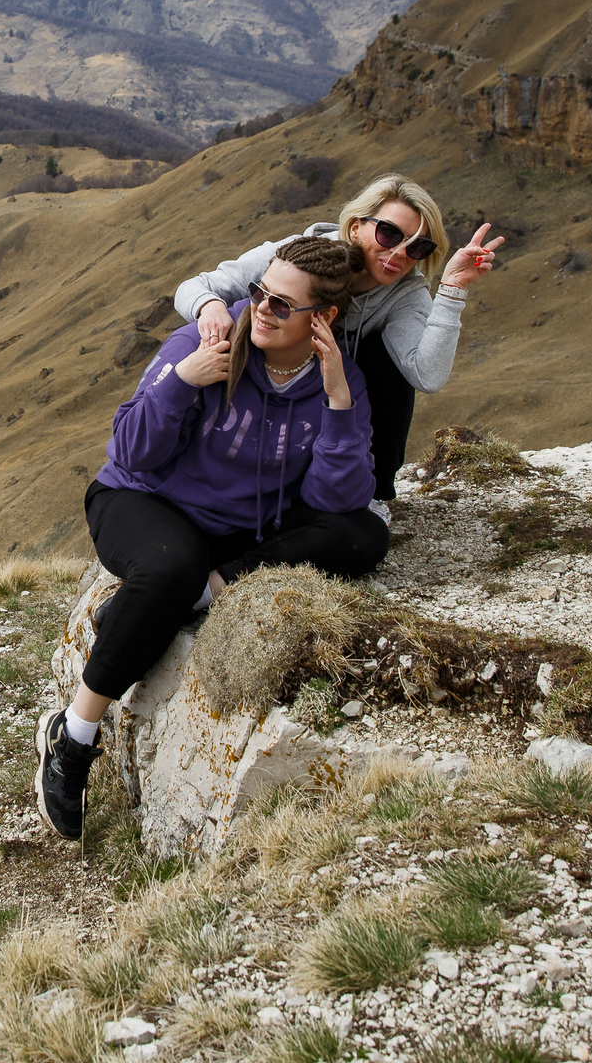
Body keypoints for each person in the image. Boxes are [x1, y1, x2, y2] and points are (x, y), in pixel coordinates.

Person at [35, 235, 384, 842]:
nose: (262, 309)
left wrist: (336, 402)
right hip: (142, 502)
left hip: (235, 534)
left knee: (364, 535)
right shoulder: (206, 341)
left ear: (324, 318)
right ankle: (74, 734)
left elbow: (338, 500)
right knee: (170, 566)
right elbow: (130, 451)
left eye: (282, 304)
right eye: (260, 293)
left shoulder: (339, 380)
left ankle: (196, 593)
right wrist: (183, 381)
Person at [173, 174, 502, 517]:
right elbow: (194, 287)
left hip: (334, 399)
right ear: (356, 226)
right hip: (259, 381)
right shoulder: (299, 256)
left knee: (385, 359)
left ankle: (373, 491)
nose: (399, 253)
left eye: (417, 247)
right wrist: (210, 307)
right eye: (389, 234)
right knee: (233, 317)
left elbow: (427, 375)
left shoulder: (406, 294)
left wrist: (452, 290)